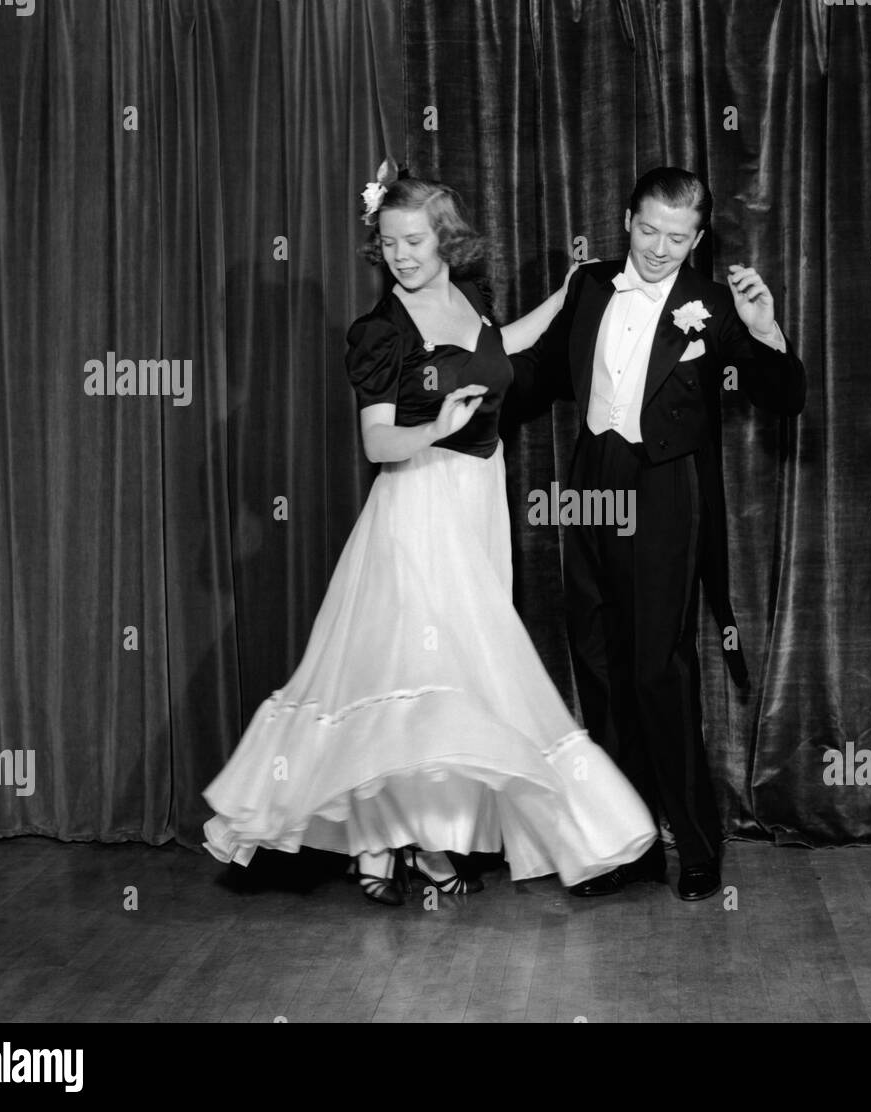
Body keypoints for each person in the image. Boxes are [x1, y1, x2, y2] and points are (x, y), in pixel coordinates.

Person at [201, 162, 657, 905]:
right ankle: (391, 842)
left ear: (445, 238)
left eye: (414, 240)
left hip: (479, 502)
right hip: (418, 510)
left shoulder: (466, 298)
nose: (401, 255)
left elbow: (495, 349)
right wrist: (437, 425)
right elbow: (379, 443)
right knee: (413, 676)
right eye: (389, 244)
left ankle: (419, 842)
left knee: (452, 681)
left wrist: (566, 294)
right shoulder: (380, 332)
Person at [510, 167, 805, 901]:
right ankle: (625, 846)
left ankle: (696, 846)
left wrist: (767, 330)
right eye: (648, 230)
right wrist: (457, 391)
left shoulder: (711, 303)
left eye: (678, 237)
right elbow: (538, 374)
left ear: (699, 238)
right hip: (590, 486)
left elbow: (785, 397)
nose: (659, 249)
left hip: (667, 487)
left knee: (657, 672)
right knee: (600, 668)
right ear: (626, 219)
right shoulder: (589, 286)